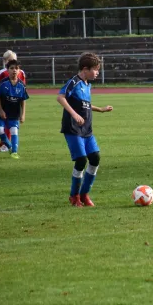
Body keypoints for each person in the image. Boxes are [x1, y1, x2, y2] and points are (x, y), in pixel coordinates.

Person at [57, 52, 113, 207]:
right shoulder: (74, 82)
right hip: (73, 128)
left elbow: (85, 105)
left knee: (95, 158)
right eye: (95, 69)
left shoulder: (88, 85)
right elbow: (60, 97)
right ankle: (74, 196)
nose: (97, 73)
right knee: (81, 160)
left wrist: (100, 109)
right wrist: (74, 114)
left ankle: (84, 194)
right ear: (85, 69)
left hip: (86, 130)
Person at [0, 60, 29, 159]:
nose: (14, 70)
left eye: (16, 68)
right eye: (12, 68)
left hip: (14, 113)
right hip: (3, 112)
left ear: (19, 70)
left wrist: (23, 115)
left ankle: (14, 152)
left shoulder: (22, 85)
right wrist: (0, 110)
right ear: (7, 70)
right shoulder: (3, 83)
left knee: (14, 131)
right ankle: (9, 146)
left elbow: (23, 100)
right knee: (0, 130)